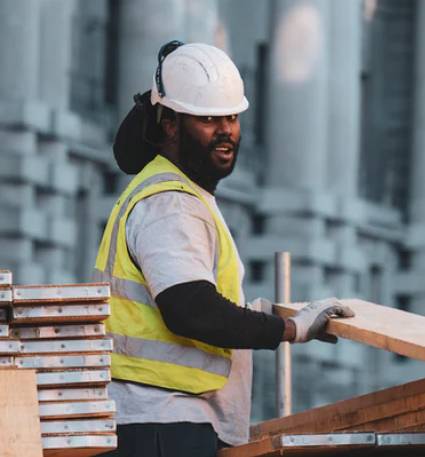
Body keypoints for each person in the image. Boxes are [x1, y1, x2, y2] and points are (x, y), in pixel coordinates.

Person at [94, 41, 355, 457]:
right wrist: (289, 330)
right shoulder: (170, 203)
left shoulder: (183, 197)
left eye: (231, 116)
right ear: (171, 125)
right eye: (207, 118)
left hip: (163, 420)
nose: (225, 130)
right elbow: (190, 308)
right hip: (160, 422)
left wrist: (262, 315)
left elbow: (192, 301)